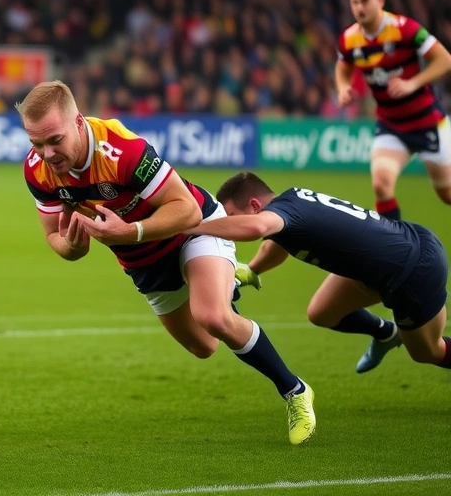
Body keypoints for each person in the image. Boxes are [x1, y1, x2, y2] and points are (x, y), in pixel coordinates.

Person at [18, 80, 316, 445]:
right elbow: (55, 236)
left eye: (55, 140)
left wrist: (131, 232)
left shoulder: (123, 151)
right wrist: (72, 248)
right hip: (142, 261)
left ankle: (295, 390)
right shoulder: (36, 170)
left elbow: (187, 210)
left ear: (78, 122)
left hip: (193, 230)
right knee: (204, 347)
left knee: (213, 316)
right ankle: (226, 278)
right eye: (37, 143)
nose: (47, 154)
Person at [184, 172, 450, 375]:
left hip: (411, 271)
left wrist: (190, 228)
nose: (229, 226)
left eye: (231, 217)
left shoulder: (278, 213)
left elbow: (256, 229)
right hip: (396, 254)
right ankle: (386, 334)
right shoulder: (292, 200)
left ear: (254, 205)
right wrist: (251, 271)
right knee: (322, 312)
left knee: (427, 351)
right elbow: (275, 248)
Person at [335, 0, 451, 220]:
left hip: (427, 122)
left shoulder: (405, 28)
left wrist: (413, 83)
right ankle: (394, 242)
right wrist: (343, 88)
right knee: (381, 185)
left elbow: (444, 60)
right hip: (391, 124)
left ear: (380, 1)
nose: (359, 8)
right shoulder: (349, 38)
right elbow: (343, 67)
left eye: (365, 1)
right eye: (354, 2)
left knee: (447, 194)